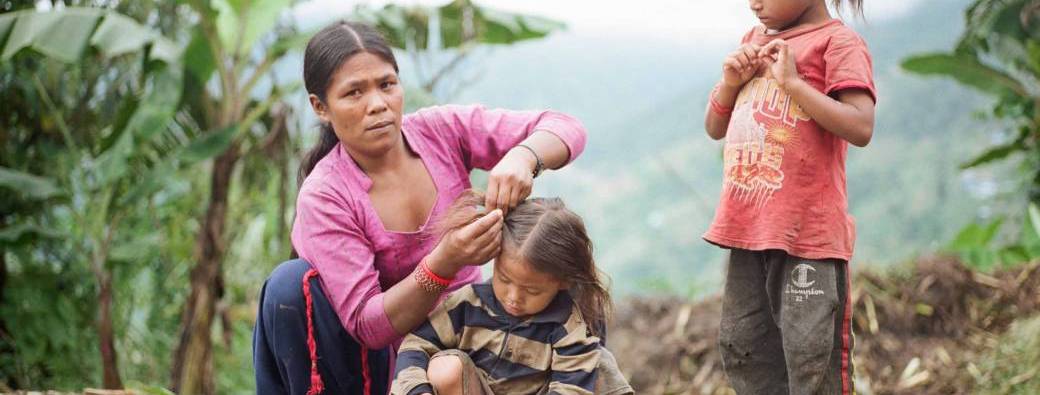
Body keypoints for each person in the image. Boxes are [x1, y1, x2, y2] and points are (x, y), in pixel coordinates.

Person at [253, 20, 587, 394]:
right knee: (289, 283)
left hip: (474, 339)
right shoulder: (326, 195)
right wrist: (443, 263)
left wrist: (524, 156)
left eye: (386, 84)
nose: (377, 104)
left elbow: (565, 127)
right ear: (321, 107)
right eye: (354, 93)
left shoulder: (439, 132)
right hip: (386, 367)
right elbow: (368, 324)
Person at [701, 0, 877, 394]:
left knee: (809, 354)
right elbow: (714, 127)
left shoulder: (838, 43)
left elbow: (861, 126)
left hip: (808, 240)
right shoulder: (753, 40)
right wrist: (731, 82)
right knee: (744, 347)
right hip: (747, 233)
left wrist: (794, 84)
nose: (754, 3)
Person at [390, 192, 630, 395]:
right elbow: (417, 344)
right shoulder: (469, 304)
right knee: (445, 368)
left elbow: (570, 389)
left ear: (563, 282)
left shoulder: (569, 328)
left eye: (532, 290)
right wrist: (417, 390)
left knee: (600, 363)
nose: (513, 297)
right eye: (504, 279)